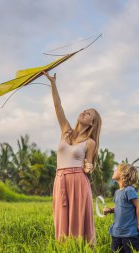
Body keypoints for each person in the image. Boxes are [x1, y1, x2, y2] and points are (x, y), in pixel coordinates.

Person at [43, 71, 102, 245]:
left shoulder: (90, 143)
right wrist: (53, 84)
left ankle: (80, 248)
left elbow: (88, 166)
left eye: (88, 114)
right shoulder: (66, 131)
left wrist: (89, 167)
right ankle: (64, 248)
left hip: (78, 180)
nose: (84, 113)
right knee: (61, 218)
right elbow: (57, 107)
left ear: (92, 123)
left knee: (77, 220)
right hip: (60, 179)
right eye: (84, 111)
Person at [103, 163, 139, 253]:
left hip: (129, 234)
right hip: (116, 233)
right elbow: (119, 207)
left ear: (124, 175)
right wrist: (110, 210)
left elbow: (138, 206)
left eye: (117, 169)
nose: (114, 171)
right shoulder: (117, 192)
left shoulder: (129, 190)